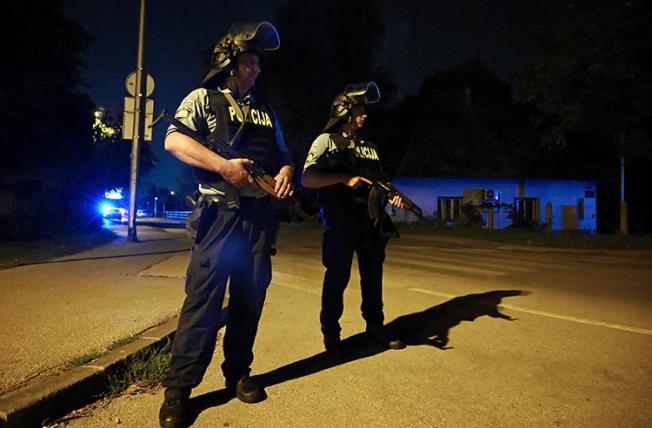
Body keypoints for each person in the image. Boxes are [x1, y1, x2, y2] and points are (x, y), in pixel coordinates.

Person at [159, 22, 294, 428]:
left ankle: (237, 373)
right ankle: (179, 392)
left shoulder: (266, 111)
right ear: (229, 63)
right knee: (202, 303)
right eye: (248, 63)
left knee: (249, 302)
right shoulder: (203, 98)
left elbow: (284, 154)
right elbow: (173, 141)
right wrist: (223, 166)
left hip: (258, 220)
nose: (255, 70)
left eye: (258, 64)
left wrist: (287, 172)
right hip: (219, 218)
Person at [302, 82, 406, 353]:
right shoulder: (326, 140)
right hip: (339, 222)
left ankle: (375, 327)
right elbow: (308, 178)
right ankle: (331, 334)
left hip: (369, 221)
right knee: (337, 276)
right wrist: (343, 178)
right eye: (360, 110)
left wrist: (394, 195)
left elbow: (381, 180)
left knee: (373, 276)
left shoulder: (369, 146)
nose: (365, 115)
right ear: (345, 112)